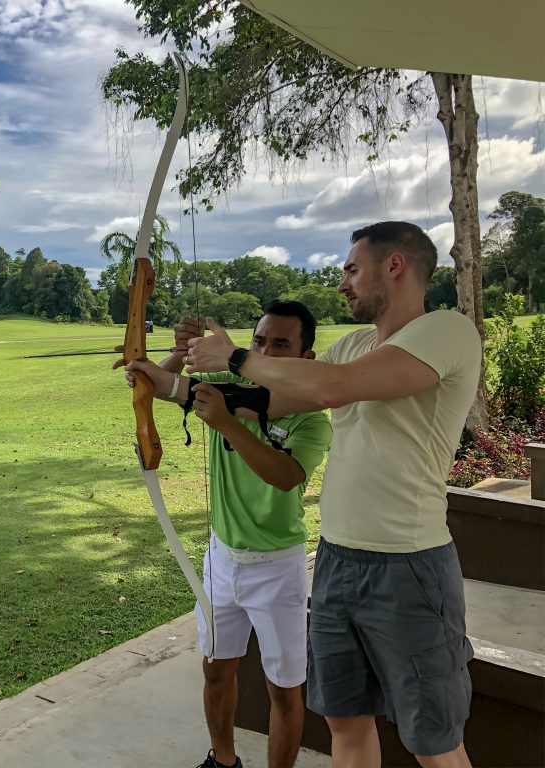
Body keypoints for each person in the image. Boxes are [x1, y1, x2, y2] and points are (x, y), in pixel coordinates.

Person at [177, 222, 482, 768]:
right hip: (338, 561)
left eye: (350, 269)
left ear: (394, 266)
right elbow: (269, 398)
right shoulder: (354, 344)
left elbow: (329, 388)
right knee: (345, 720)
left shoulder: (447, 330)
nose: (343, 283)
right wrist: (171, 378)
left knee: (432, 738)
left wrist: (236, 357)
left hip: (408, 565)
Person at [122, 301, 332, 768]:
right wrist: (172, 355)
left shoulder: (310, 417)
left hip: (278, 566)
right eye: (258, 341)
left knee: (284, 687)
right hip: (222, 560)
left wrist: (227, 424)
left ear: (307, 357)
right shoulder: (224, 388)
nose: (266, 351)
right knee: (217, 671)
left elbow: (284, 475)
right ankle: (223, 761)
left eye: (281, 344)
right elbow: (162, 385)